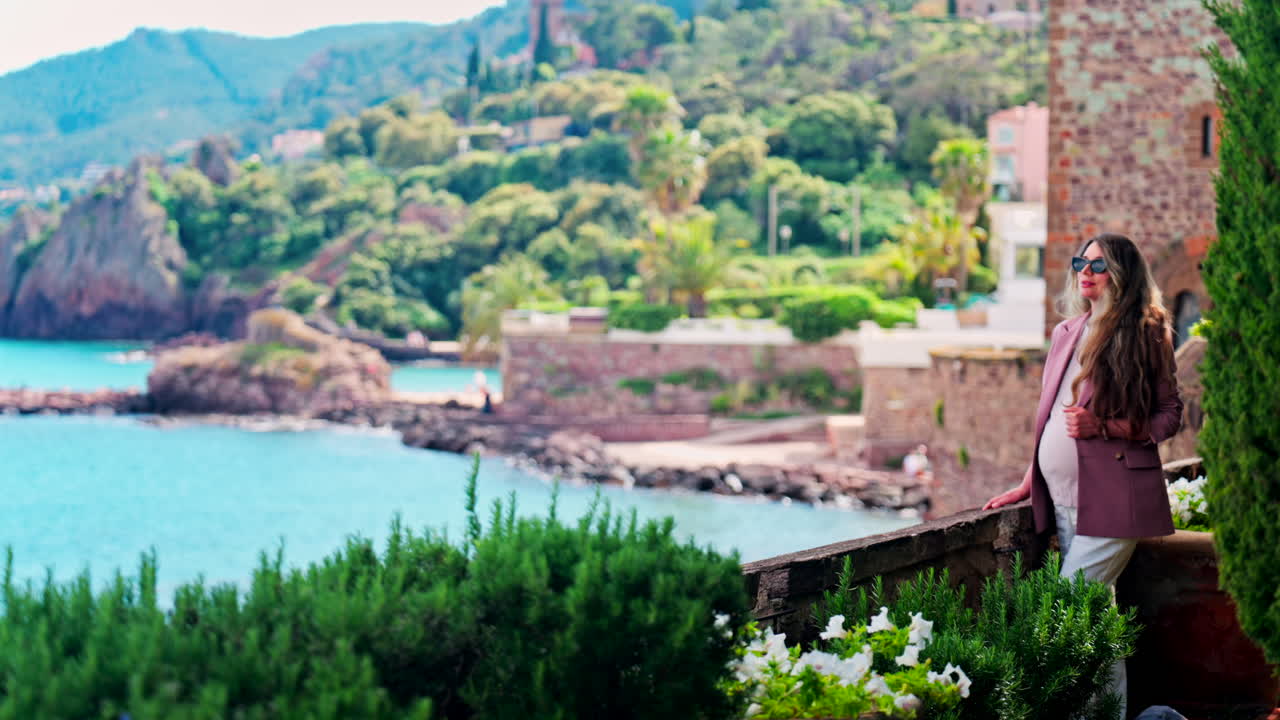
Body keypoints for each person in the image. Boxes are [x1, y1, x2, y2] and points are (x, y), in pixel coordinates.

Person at [983, 234, 1183, 716]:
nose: (1084, 272)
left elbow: (1170, 414)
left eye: (1098, 265)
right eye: (1080, 263)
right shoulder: (1067, 332)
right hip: (1065, 496)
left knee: (1069, 602)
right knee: (1098, 612)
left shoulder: (1147, 331)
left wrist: (1106, 427)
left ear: (1122, 273)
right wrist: (1030, 480)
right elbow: (1049, 413)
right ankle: (1107, 713)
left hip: (1118, 496)